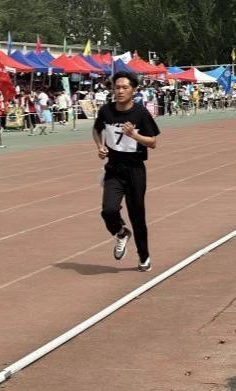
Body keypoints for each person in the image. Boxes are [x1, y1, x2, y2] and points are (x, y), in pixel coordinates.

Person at [92, 71, 160, 272]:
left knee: (137, 215)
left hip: (135, 170)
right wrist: (100, 146)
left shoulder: (140, 113)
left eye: (125, 87)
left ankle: (144, 256)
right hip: (113, 168)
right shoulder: (106, 111)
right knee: (108, 210)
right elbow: (96, 130)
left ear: (134, 90)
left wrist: (134, 135)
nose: (120, 91)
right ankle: (121, 232)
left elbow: (153, 142)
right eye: (117, 87)